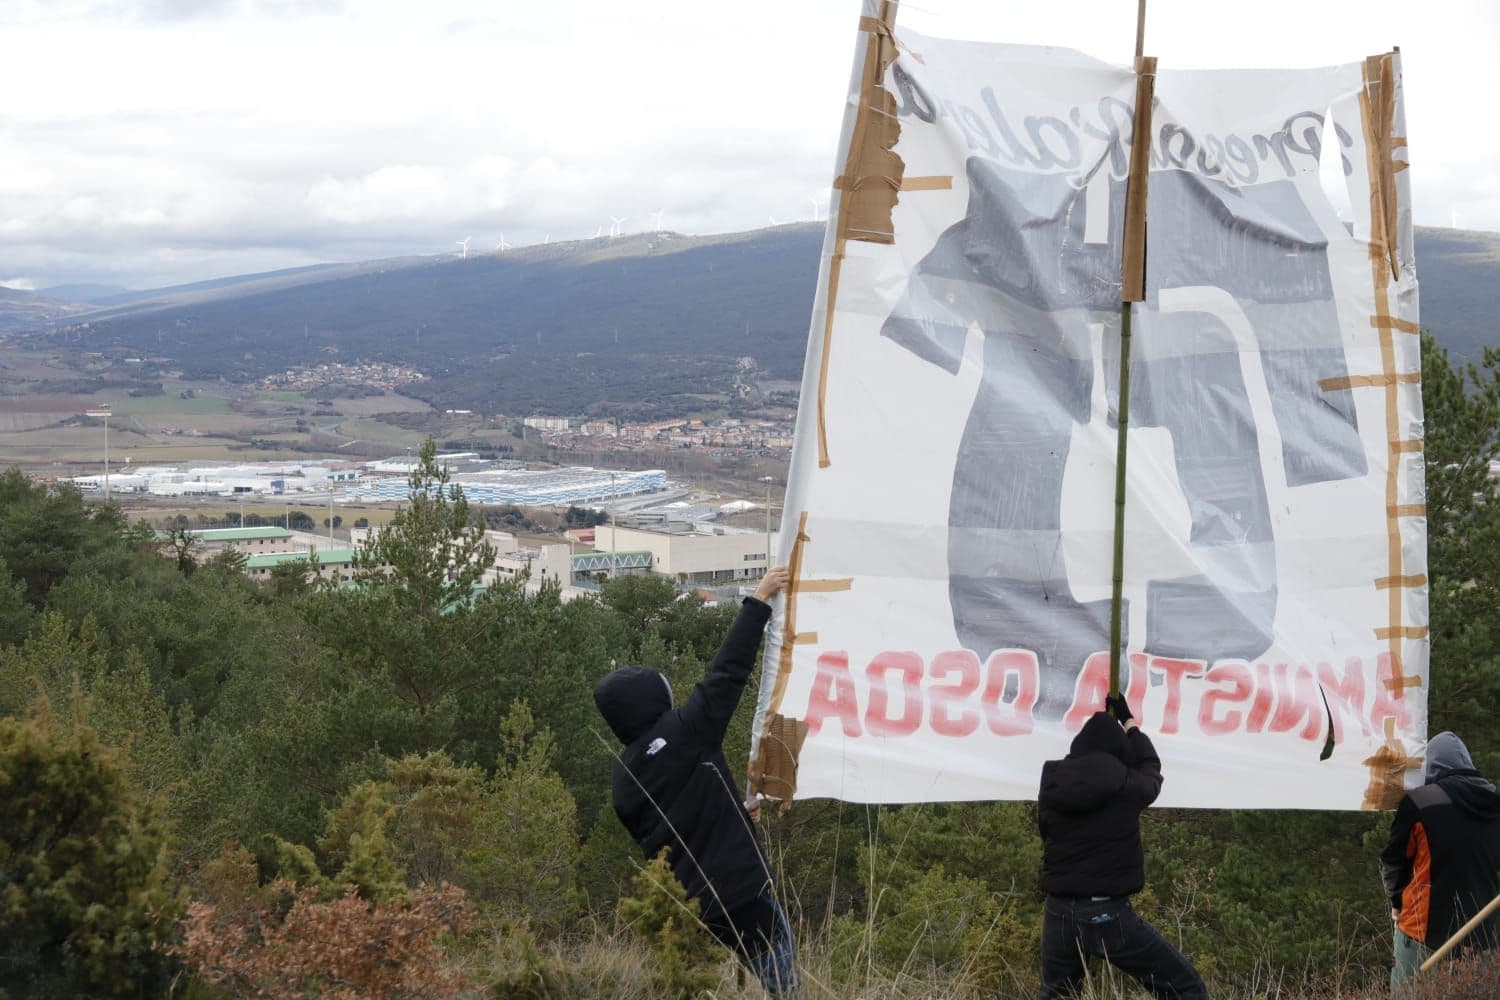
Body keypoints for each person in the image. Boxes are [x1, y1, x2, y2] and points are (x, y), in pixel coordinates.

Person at [594, 566, 796, 996]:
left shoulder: (623, 778)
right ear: (651, 700)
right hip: (743, 895)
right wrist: (758, 602)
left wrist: (735, 814)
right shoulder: (686, 733)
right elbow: (727, 673)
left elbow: (676, 826)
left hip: (692, 912)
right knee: (786, 987)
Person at [1036, 694, 1208, 999]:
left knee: (1058, 995)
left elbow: (1045, 832)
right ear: (1119, 752)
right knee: (1185, 989)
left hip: (1058, 911)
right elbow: (1151, 767)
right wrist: (1130, 723)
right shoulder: (1126, 786)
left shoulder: (1051, 784)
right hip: (1105, 913)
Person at [1380, 730, 1500, 987]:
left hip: (1423, 936)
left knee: (1409, 992)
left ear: (1431, 766)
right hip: (1483, 938)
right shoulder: (1495, 803)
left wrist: (1396, 902)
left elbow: (1394, 862)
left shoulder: (1419, 802)